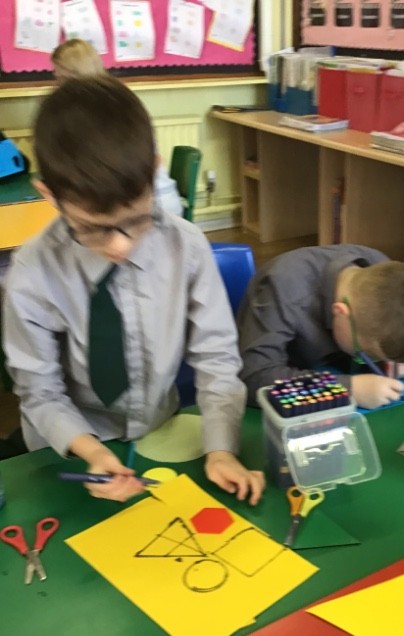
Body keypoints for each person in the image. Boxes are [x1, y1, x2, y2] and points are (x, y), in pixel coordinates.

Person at [2, 76, 264, 504]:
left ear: (154, 170)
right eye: (92, 228)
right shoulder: (33, 272)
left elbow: (216, 358)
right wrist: (91, 451)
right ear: (49, 195)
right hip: (69, 448)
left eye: (137, 220)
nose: (121, 246)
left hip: (160, 431)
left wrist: (221, 450)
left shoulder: (186, 247)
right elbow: (40, 390)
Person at [237, 245, 404, 409]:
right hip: (283, 373)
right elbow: (254, 379)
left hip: (329, 367)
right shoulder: (283, 288)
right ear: (341, 312)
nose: (372, 361)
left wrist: (396, 360)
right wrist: (345, 389)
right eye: (366, 354)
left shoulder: (382, 269)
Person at [51, 39, 184, 217]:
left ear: (76, 76)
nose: (57, 87)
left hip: (150, 208)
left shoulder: (102, 109)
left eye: (61, 79)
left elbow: (100, 175)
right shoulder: (108, 98)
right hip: (140, 202)